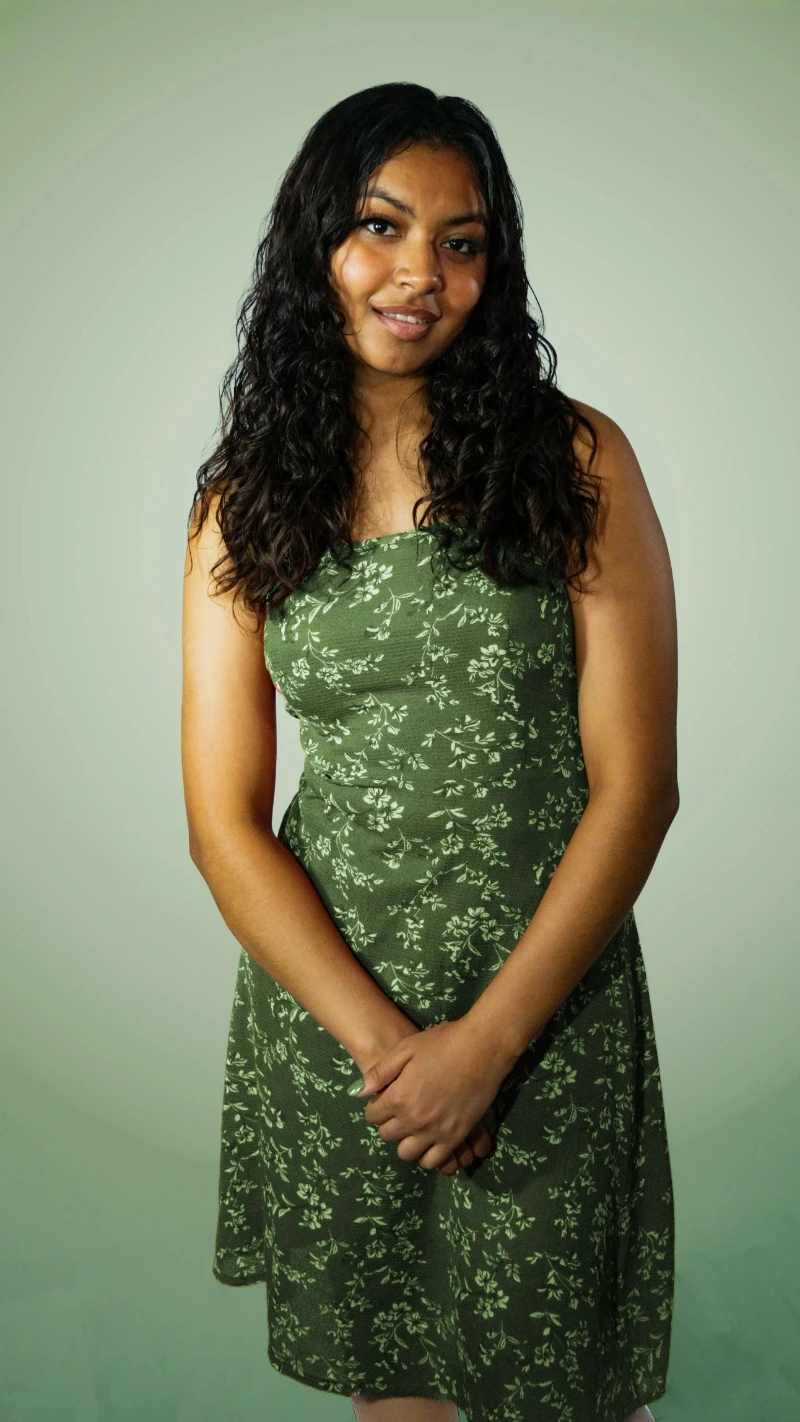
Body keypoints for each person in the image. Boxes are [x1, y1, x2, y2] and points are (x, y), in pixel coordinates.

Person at [181, 81, 677, 1422]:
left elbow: (638, 787)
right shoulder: (243, 502)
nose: (420, 274)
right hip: (339, 1021)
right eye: (381, 227)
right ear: (315, 246)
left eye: (462, 243)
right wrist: (391, 1053)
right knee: (395, 1393)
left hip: (546, 1006)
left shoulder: (576, 461)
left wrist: (486, 1046)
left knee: (566, 1389)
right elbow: (223, 823)